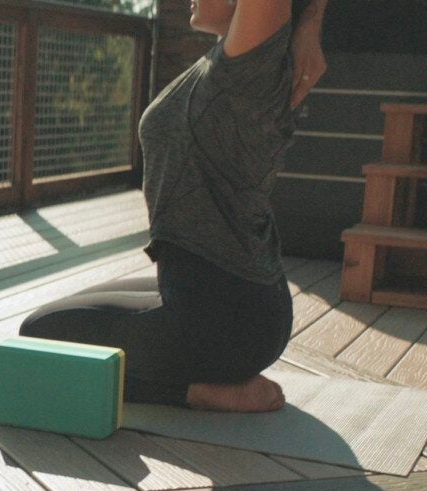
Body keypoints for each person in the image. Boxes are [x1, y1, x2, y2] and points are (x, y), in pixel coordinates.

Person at [19, 0, 330, 413]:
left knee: (40, 337)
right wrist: (309, 21)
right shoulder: (227, 62)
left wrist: (307, 22)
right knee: (66, 313)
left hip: (226, 320)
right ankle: (203, 368)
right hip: (230, 303)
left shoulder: (247, 68)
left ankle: (199, 392)